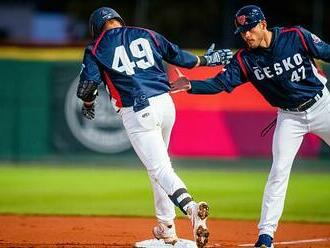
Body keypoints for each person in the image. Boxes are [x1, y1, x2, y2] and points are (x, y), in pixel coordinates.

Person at [170, 4, 330, 248]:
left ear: (263, 24)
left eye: (250, 29)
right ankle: (266, 236)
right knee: (278, 173)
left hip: (322, 106)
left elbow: (327, 52)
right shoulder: (245, 59)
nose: (246, 35)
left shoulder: (295, 37)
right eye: (242, 31)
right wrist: (191, 85)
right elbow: (220, 84)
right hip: (290, 118)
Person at [76, 7, 233, 248]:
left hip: (138, 111)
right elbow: (181, 57)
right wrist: (206, 60)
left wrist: (88, 103)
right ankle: (166, 229)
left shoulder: (97, 47)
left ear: (97, 29)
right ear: (119, 21)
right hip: (166, 104)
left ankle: (191, 209)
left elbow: (88, 87)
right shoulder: (146, 33)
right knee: (158, 168)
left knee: (160, 169)